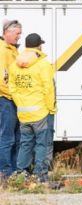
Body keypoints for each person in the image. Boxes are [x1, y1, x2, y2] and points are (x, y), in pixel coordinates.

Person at [9, 33, 55, 182]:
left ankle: (22, 173)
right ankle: (40, 174)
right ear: (39, 46)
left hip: (23, 113)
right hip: (40, 112)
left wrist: (20, 103)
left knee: (25, 143)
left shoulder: (14, 64)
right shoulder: (43, 64)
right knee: (42, 144)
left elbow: (12, 88)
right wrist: (51, 108)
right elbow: (48, 89)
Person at [0, 20, 22, 178]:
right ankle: (5, 173)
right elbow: (2, 79)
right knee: (7, 138)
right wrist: (13, 95)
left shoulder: (12, 50)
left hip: (14, 100)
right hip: (6, 99)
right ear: (7, 32)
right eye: (17, 33)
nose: (19, 36)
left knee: (16, 138)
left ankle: (14, 171)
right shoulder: (2, 51)